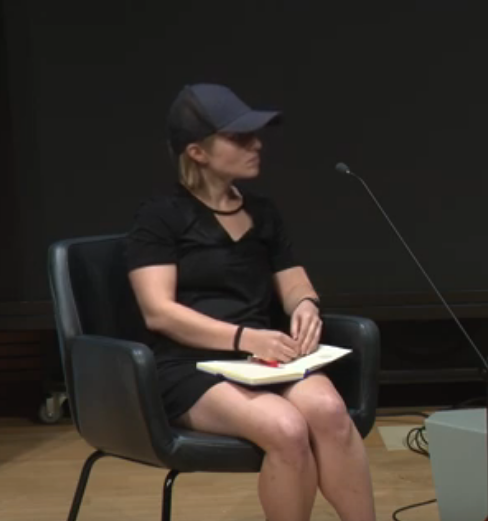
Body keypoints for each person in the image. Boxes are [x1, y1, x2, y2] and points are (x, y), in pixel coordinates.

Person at [124, 83, 376, 521]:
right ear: (198, 152)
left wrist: (305, 307)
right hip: (189, 367)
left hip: (264, 357)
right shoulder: (160, 217)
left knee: (331, 412)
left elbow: (294, 280)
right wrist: (245, 337)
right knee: (286, 428)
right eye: (239, 138)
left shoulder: (263, 213)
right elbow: (158, 312)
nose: (256, 145)